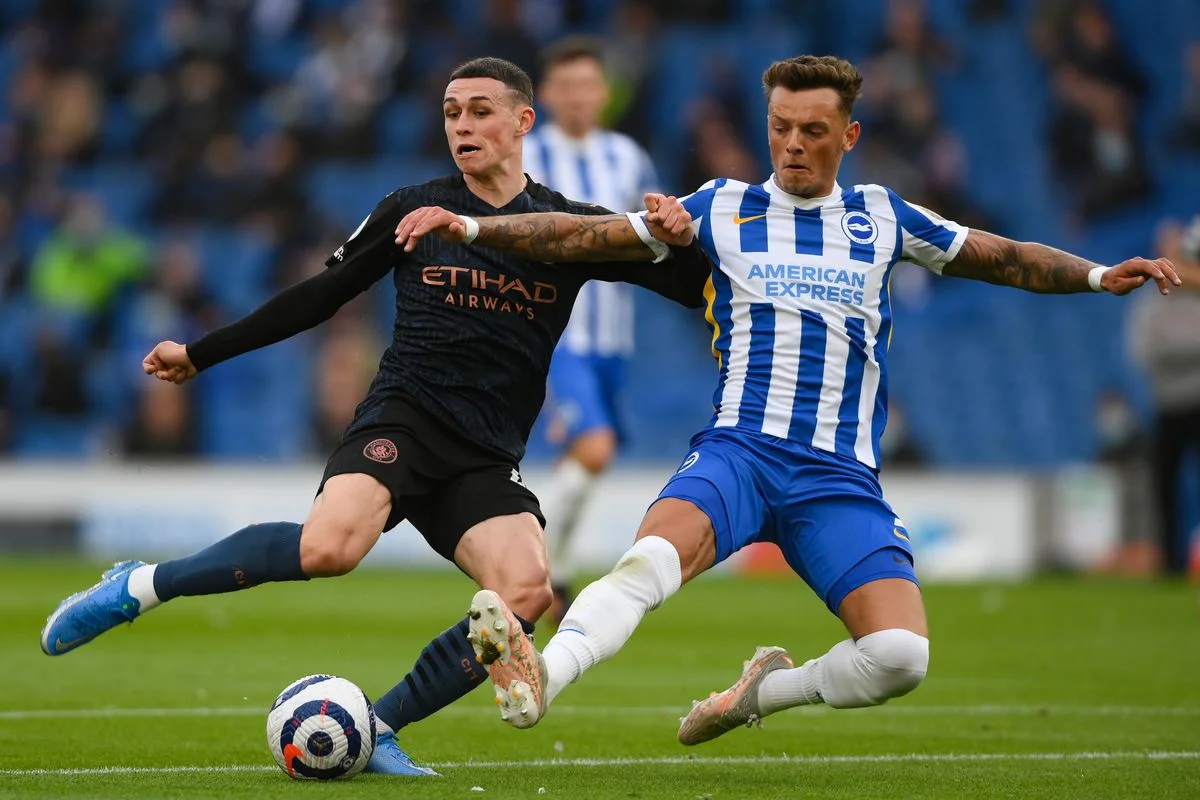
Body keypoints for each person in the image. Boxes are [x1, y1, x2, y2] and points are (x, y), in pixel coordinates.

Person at [392, 54, 1180, 739]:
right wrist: (476, 229)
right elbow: (578, 237)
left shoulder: (882, 216)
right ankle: (542, 677)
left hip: (839, 478)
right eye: (780, 127)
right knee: (647, 563)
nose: (793, 145)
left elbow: (1001, 257)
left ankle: (762, 692)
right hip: (740, 452)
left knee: (901, 658)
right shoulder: (721, 207)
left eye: (811, 130)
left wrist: (1095, 274)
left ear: (849, 136)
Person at [39, 57, 710, 774]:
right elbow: (322, 295)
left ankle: (377, 727)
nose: (462, 125)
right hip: (404, 420)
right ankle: (140, 586)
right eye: (451, 112)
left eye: (480, 110)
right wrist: (203, 353)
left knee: (526, 595)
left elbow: (693, 283)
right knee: (331, 548)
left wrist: (679, 231)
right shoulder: (411, 206)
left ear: (523, 121)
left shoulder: (565, 230)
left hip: (484, 454)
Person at [522, 36, 662, 623]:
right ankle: (545, 574)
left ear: (605, 93)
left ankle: (560, 566)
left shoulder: (627, 158)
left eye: (589, 85)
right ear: (548, 95)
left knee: (581, 460)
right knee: (596, 448)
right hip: (557, 336)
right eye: (567, 87)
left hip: (612, 339)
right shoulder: (526, 154)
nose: (579, 97)